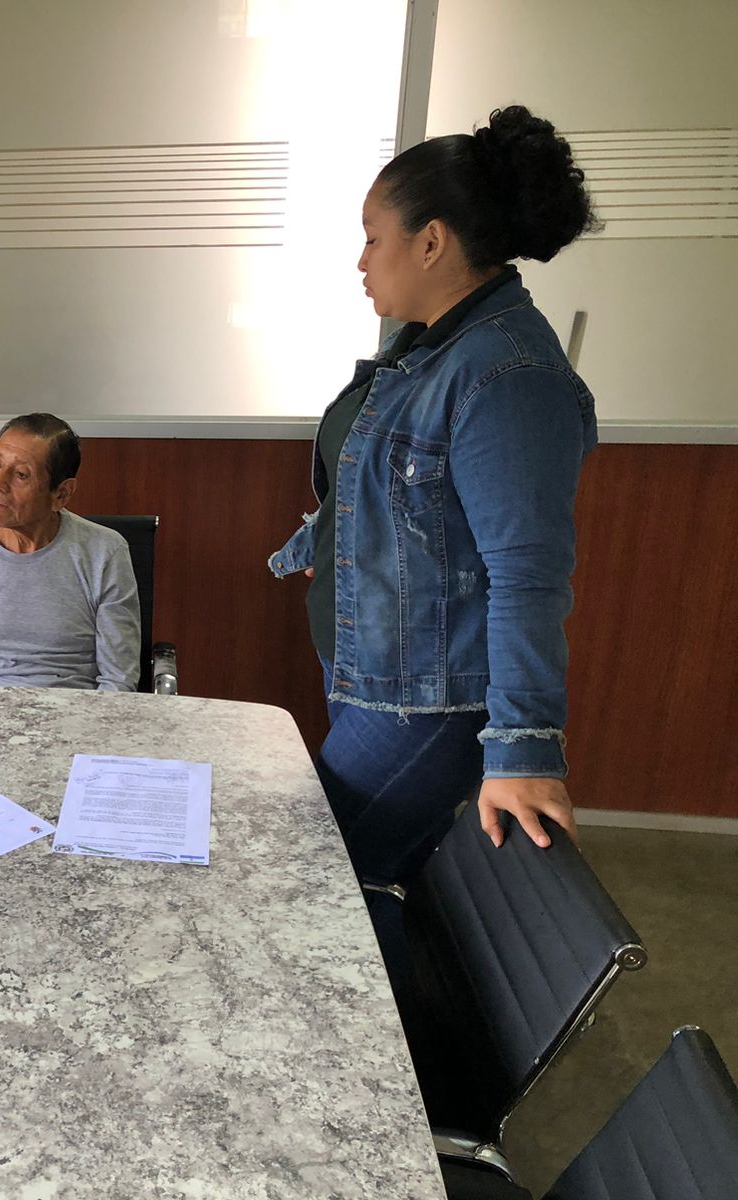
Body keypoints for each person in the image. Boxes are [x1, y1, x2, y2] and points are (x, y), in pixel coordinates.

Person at [268, 105, 598, 902]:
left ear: (431, 241)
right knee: (372, 876)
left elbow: (527, 575)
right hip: (373, 668)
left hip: (425, 701)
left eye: (372, 237)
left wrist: (522, 750)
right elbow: (391, 489)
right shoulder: (426, 344)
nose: (361, 260)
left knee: (317, 879)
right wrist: (329, 549)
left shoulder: (507, 374)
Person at [0, 413, 140, 692]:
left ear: (61, 494)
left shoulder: (105, 553)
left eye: (21, 475)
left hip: (75, 709)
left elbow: (118, 680)